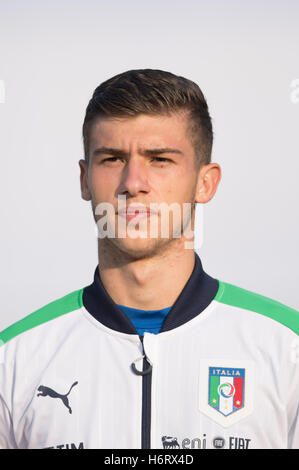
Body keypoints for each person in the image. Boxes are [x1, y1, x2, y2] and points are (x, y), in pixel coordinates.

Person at [0, 69, 298, 450]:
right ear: (85, 179)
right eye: (112, 158)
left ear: (205, 183)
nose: (133, 182)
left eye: (159, 159)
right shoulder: (15, 359)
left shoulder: (287, 349)